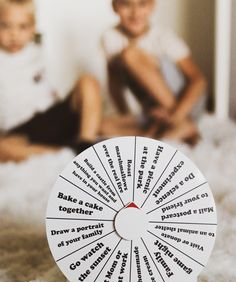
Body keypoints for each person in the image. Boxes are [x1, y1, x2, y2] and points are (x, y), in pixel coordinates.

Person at [0, 0, 101, 162]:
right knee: (3, 149)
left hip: (49, 116)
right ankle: (68, 154)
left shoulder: (37, 53)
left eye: (22, 27)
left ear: (33, 29)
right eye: (5, 26)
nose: (14, 34)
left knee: (88, 82)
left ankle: (86, 144)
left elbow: (46, 88)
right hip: (19, 130)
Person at [101, 0, 207, 143]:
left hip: (185, 104)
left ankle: (180, 124)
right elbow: (114, 82)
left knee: (130, 54)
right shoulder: (110, 38)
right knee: (101, 126)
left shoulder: (163, 36)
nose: (135, 13)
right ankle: (157, 133)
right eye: (126, 5)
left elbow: (198, 80)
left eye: (142, 4)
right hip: (154, 108)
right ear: (114, 6)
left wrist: (177, 114)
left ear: (152, 6)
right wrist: (124, 114)